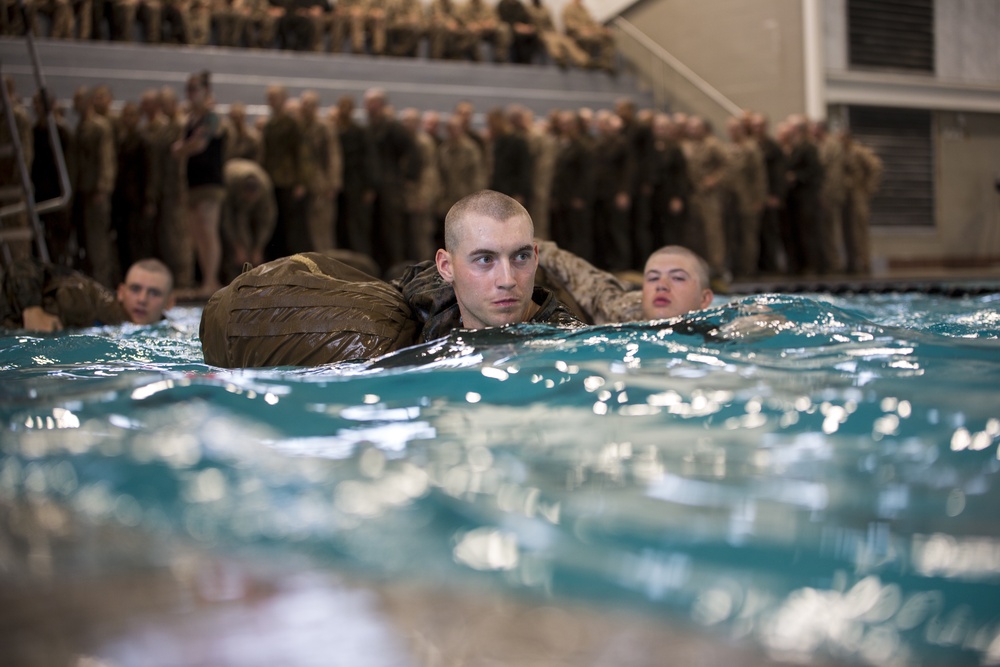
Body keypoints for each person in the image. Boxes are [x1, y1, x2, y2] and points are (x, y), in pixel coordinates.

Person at [394, 189, 582, 342]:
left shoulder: (567, 344)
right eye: (485, 259)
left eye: (521, 256)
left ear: (535, 258)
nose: (507, 280)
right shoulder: (430, 294)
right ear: (445, 267)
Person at [1, 257, 175, 332]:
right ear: (120, 292)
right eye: (135, 289)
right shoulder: (87, 296)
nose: (142, 299)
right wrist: (32, 309)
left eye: (154, 293)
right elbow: (21, 265)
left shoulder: (166, 332)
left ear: (169, 303)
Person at [173, 70, 227, 296]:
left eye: (195, 89)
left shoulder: (211, 117)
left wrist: (181, 148)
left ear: (206, 92)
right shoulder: (191, 119)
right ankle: (205, 278)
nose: (191, 94)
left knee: (207, 229)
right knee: (196, 234)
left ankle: (210, 280)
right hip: (193, 181)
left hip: (210, 181)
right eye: (189, 89)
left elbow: (198, 145)